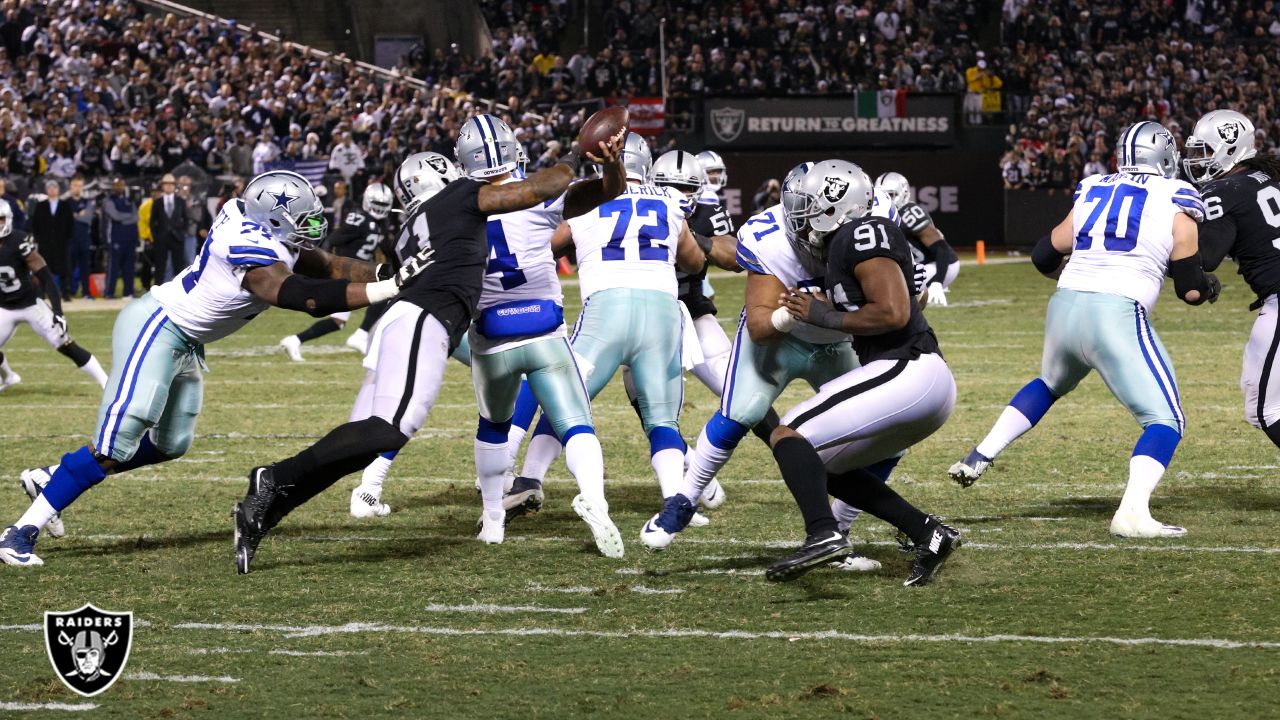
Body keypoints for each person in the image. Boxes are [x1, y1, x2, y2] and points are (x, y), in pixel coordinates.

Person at [231, 116, 623, 574]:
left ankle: (270, 497)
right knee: (386, 431)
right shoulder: (458, 196)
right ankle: (274, 480)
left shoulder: (414, 224)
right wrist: (577, 156)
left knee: (377, 434)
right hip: (425, 320)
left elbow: (353, 267)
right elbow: (532, 191)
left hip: (416, 320)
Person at [0, 170, 436, 567]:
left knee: (170, 444)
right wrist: (389, 288)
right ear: (272, 218)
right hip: (158, 326)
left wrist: (392, 271)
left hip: (187, 339)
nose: (312, 225)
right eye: (301, 218)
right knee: (117, 440)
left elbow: (325, 264)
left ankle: (51, 478)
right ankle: (20, 532)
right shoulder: (247, 247)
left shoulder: (259, 224)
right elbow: (303, 296)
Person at [949, 121, 1218, 538]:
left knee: (1050, 383)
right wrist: (1207, 285)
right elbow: (1190, 291)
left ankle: (980, 453)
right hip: (1115, 313)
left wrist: (1084, 275)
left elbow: (1043, 255)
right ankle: (1132, 514)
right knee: (1166, 419)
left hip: (1066, 304)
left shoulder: (1093, 187)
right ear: (1165, 156)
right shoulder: (1177, 197)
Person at [515, 133, 736, 540]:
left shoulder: (586, 202)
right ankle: (675, 500)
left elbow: (547, 250)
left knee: (566, 401)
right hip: (662, 313)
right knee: (662, 419)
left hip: (606, 311)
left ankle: (529, 478)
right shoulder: (669, 204)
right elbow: (693, 260)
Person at [759, 160, 961, 585]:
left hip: (909, 368)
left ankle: (823, 533)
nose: (800, 218)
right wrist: (826, 308)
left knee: (788, 431)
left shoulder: (861, 231)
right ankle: (929, 532)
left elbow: (893, 311)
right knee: (824, 466)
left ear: (834, 206)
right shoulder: (847, 243)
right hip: (913, 380)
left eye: (808, 206)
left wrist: (824, 316)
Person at [1185, 110, 1280, 450]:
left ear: (1230, 149)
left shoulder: (1223, 190)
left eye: (1206, 151)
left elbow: (1204, 256)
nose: (1199, 160)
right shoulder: (1268, 178)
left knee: (1266, 410)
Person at [0, 199, 107, 394]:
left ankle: (106, 381)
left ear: (8, 220)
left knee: (64, 344)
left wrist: (58, 312)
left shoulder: (18, 242)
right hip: (4, 308)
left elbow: (47, 279)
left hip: (31, 305)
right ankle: (9, 377)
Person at [279, 183, 395, 361]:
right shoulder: (360, 218)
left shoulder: (379, 223)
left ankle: (294, 340)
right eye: (376, 204)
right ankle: (362, 334)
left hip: (357, 273)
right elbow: (332, 239)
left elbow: (386, 247)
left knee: (338, 322)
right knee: (386, 291)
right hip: (346, 272)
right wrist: (325, 265)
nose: (379, 209)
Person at [875, 172, 958, 306]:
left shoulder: (909, 212)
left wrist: (938, 282)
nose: (887, 200)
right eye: (882, 195)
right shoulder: (881, 214)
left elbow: (941, 247)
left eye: (890, 195)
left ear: (904, 193)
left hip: (942, 265)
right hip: (919, 265)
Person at [29, 180, 73, 296]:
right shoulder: (40, 206)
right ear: (46, 190)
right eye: (50, 188)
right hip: (45, 244)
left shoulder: (65, 206)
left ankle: (65, 292)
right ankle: (42, 292)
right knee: (44, 268)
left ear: (58, 190)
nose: (52, 190)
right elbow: (35, 224)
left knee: (64, 268)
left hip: (61, 243)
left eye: (54, 187)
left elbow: (70, 224)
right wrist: (39, 239)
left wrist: (67, 239)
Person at [102, 178, 138, 299]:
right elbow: (115, 216)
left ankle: (128, 292)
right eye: (117, 185)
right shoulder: (109, 201)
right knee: (113, 267)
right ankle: (109, 293)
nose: (119, 187)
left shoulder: (129, 200)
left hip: (130, 238)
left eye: (121, 184)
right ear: (113, 186)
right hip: (115, 239)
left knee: (129, 267)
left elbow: (136, 217)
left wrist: (124, 219)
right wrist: (128, 217)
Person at [149, 174, 188, 284]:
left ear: (174, 186)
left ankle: (179, 293)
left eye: (171, 184)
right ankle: (157, 291)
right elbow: (152, 221)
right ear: (162, 186)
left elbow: (185, 219)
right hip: (161, 238)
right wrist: (155, 237)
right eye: (166, 184)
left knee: (179, 267)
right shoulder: (157, 202)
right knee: (159, 266)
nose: (169, 186)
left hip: (177, 238)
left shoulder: (181, 201)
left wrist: (182, 233)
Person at [67, 177, 94, 299]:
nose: (76, 188)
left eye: (79, 185)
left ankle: (86, 292)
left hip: (84, 239)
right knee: (69, 267)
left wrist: (74, 215)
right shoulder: (65, 203)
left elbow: (88, 218)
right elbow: (65, 219)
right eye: (74, 185)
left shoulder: (88, 202)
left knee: (85, 268)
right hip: (70, 240)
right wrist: (80, 215)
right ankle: (69, 291)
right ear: (70, 187)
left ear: (82, 187)